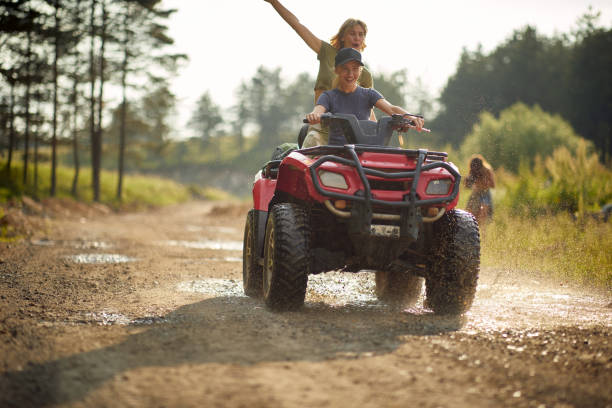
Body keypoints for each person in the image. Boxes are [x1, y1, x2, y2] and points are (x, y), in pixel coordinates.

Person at [263, 0, 376, 144]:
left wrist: (375, 133)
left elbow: (368, 109)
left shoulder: (364, 74)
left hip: (350, 133)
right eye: (352, 34)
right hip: (322, 126)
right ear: (342, 37)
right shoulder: (327, 52)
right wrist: (274, 2)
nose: (357, 38)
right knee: (312, 143)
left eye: (361, 35)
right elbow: (298, 25)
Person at [304, 48, 424, 147]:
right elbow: (318, 111)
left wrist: (410, 116)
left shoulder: (369, 94)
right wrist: (314, 116)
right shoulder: (328, 96)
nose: (350, 74)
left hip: (365, 152)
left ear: (360, 71)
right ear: (337, 70)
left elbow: (392, 109)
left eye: (355, 69)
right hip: (338, 154)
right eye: (345, 69)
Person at [464, 154, 495, 225]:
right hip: (475, 194)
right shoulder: (472, 170)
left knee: (483, 217)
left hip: (485, 194)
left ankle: (483, 235)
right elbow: (467, 186)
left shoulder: (487, 170)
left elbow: (493, 185)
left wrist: (482, 184)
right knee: (469, 215)